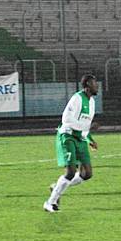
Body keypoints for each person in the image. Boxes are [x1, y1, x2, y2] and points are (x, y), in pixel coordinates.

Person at [44, 74, 100, 213]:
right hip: (68, 137)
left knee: (87, 173)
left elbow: (85, 124)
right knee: (70, 172)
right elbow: (67, 120)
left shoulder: (92, 102)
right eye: (94, 83)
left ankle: (57, 187)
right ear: (87, 85)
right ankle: (49, 203)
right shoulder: (77, 98)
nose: (97, 85)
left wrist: (90, 140)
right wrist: (86, 128)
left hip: (80, 138)